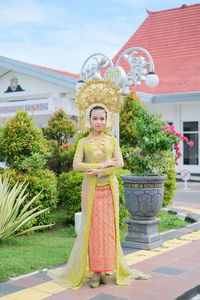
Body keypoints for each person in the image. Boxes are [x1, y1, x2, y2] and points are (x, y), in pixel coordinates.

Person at [48, 79, 149, 290]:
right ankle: (95, 271)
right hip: (91, 190)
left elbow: (119, 163)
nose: (99, 122)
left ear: (107, 119)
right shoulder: (83, 142)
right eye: (95, 118)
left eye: (102, 118)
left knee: (109, 229)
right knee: (92, 229)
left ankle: (106, 269)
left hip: (109, 189)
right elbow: (76, 165)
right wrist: (100, 165)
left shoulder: (112, 142)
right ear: (89, 119)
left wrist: (101, 170)